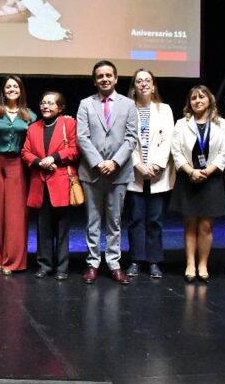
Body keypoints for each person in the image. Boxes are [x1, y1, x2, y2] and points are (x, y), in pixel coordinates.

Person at [76, 60, 138, 285]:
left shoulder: (128, 104)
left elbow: (132, 138)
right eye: (100, 76)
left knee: (114, 222)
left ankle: (114, 263)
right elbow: (81, 136)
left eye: (108, 75)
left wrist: (114, 162)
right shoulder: (85, 104)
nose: (104, 79)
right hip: (92, 173)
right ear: (94, 80)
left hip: (118, 173)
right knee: (92, 221)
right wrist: (98, 162)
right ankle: (92, 263)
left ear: (116, 78)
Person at [170, 85, 225, 283]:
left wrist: (208, 170)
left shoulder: (222, 124)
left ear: (210, 100)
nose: (198, 101)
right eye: (194, 98)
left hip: (211, 178)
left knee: (206, 226)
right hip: (188, 178)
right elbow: (176, 152)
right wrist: (191, 171)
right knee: (189, 224)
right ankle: (190, 263)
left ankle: (203, 264)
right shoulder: (181, 124)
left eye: (202, 97)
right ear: (190, 102)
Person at [0, 76, 36, 275]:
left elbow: (36, 139)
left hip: (18, 165)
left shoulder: (30, 115)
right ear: (3, 92)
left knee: (16, 215)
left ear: (21, 90)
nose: (12, 89)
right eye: (8, 87)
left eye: (15, 86)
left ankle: (12, 261)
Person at [21, 91, 79, 280]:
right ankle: (44, 264)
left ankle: (62, 267)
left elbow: (75, 149)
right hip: (40, 183)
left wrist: (54, 158)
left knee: (62, 229)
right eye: (43, 102)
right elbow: (25, 152)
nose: (45, 106)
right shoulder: (33, 128)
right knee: (43, 228)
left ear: (60, 107)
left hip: (61, 182)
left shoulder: (68, 124)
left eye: (50, 103)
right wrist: (40, 163)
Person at [124, 69, 175, 279]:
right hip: (135, 174)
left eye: (147, 80)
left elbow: (169, 140)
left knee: (155, 220)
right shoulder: (127, 110)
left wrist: (156, 166)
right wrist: (138, 165)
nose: (143, 84)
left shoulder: (164, 109)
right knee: (136, 219)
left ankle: (154, 262)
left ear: (153, 86)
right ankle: (136, 260)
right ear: (134, 87)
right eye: (139, 81)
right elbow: (124, 140)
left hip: (158, 174)